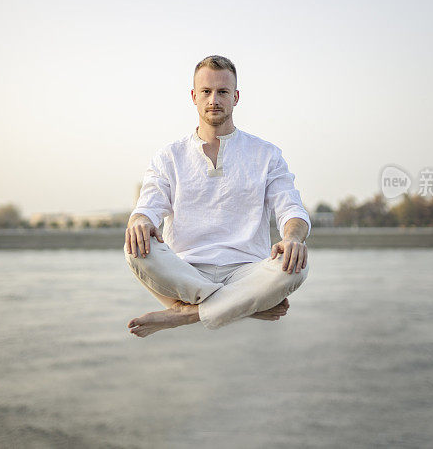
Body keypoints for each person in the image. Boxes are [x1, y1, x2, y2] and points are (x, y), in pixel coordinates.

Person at [124, 55, 311, 337]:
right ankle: (243, 305)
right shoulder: (169, 157)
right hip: (185, 271)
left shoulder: (266, 154)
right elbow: (147, 207)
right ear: (194, 97)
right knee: (134, 246)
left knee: (297, 266)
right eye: (206, 92)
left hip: (248, 270)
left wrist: (293, 238)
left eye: (223, 92)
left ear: (235, 97)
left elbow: (292, 210)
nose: (214, 99)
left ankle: (186, 314)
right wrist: (139, 221)